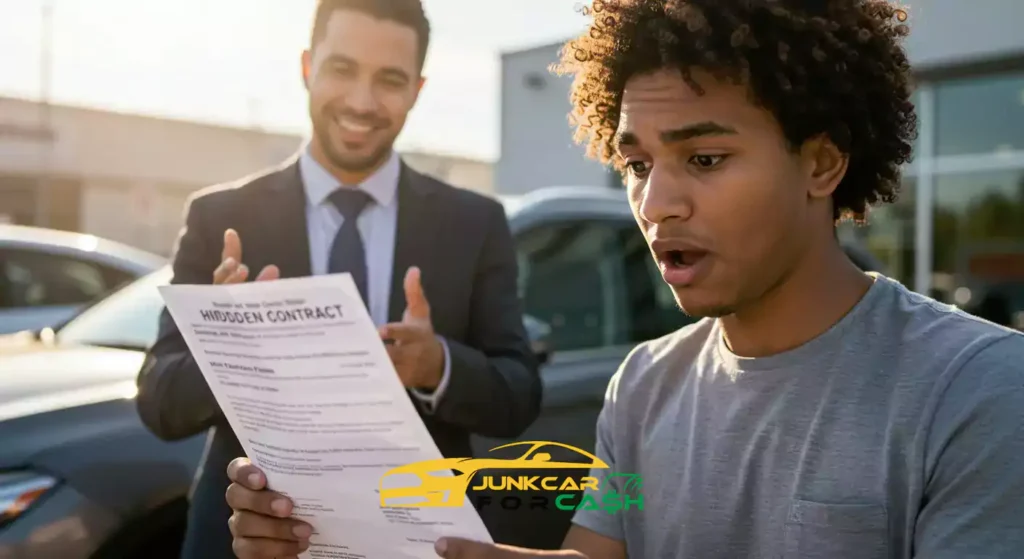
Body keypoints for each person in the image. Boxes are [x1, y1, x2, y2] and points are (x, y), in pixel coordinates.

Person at [221, 0, 1024, 558]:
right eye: (637, 164)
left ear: (820, 163)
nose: (657, 203)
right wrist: (336, 531)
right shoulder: (643, 383)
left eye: (704, 159)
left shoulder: (977, 389)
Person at [134, 0, 543, 557]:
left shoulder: (473, 223)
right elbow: (158, 403)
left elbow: (518, 394)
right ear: (307, 67)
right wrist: (227, 345)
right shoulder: (221, 217)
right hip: (251, 537)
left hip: (417, 539)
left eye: (390, 80)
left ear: (417, 92)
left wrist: (437, 365)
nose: (361, 101)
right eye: (342, 69)